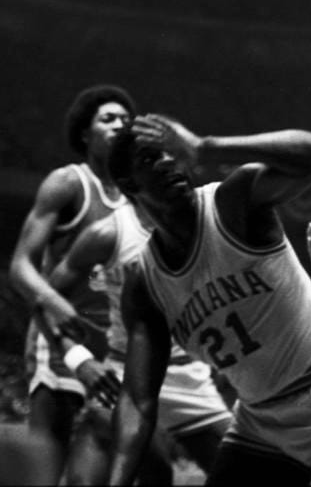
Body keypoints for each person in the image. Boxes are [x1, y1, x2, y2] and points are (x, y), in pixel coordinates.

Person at [105, 115, 311, 486]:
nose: (167, 162)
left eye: (171, 153)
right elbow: (137, 400)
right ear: (128, 184)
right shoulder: (145, 284)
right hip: (261, 421)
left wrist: (206, 147)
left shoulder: (232, 202)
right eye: (149, 159)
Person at [46, 196, 232, 484]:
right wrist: (80, 361)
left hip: (187, 376)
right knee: (152, 473)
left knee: (250, 473)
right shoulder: (107, 233)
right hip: (126, 371)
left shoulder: (206, 225)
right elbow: (44, 301)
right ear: (130, 178)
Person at [9, 84, 136, 485]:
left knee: (93, 475)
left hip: (114, 346)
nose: (120, 124)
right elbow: (19, 267)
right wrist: (52, 300)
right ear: (86, 133)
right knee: (45, 468)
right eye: (108, 118)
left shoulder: (136, 195)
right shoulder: (68, 183)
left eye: (125, 119)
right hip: (61, 336)